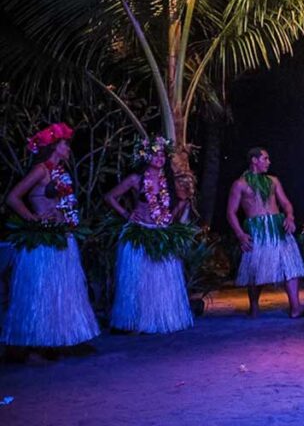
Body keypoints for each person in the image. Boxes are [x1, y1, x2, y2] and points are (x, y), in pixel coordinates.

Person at [2, 122, 99, 351]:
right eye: (66, 145)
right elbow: (13, 197)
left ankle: (63, 338)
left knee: (65, 290)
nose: (68, 149)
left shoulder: (60, 172)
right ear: (55, 146)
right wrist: (32, 217)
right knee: (42, 292)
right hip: (43, 240)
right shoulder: (41, 170)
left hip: (62, 236)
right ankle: (35, 344)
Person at [105, 135, 193, 333]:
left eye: (162, 154)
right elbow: (110, 197)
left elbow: (184, 200)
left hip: (161, 233)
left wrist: (172, 215)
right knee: (139, 281)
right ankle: (135, 321)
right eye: (155, 155)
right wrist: (127, 214)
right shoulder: (136, 179)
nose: (160, 158)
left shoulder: (169, 181)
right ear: (145, 157)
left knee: (160, 281)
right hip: (140, 232)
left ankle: (160, 318)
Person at [226, 147, 304, 319]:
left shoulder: (273, 181)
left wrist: (290, 216)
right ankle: (254, 308)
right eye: (265, 158)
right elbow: (230, 212)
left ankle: (296, 307)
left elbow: (286, 203)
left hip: (277, 227)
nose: (269, 162)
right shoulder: (240, 184)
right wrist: (240, 234)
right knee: (255, 268)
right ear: (254, 160)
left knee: (290, 266)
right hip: (257, 229)